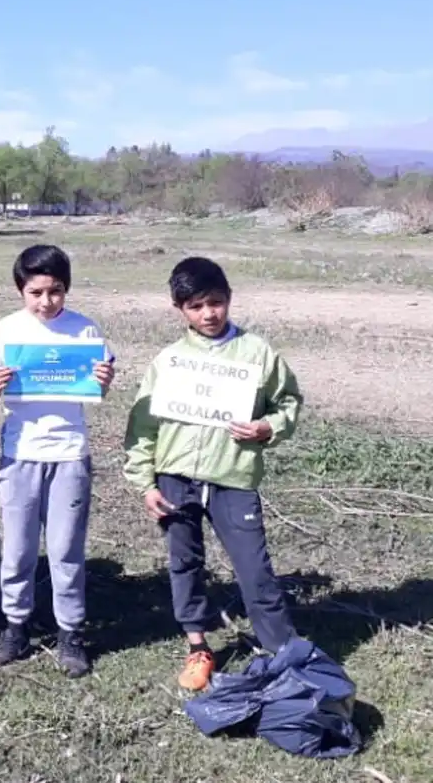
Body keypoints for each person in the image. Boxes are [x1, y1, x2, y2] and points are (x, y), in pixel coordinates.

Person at [123, 256, 304, 692]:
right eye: (196, 306)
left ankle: (283, 655)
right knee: (185, 563)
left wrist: (268, 427)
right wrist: (145, 482)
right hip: (175, 478)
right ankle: (198, 646)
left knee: (255, 570)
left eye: (216, 303)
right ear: (179, 309)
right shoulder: (169, 361)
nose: (208, 314)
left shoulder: (258, 353)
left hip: (233, 478)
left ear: (229, 300)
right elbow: (143, 424)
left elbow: (289, 403)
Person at [0, 245, 115, 678]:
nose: (46, 301)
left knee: (64, 549)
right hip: (20, 453)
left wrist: (103, 381)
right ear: (21, 289)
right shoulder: (6, 330)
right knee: (17, 549)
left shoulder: (85, 331)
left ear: (66, 289)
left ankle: (70, 633)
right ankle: (15, 628)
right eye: (36, 291)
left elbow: (97, 388)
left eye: (55, 291)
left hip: (69, 453)